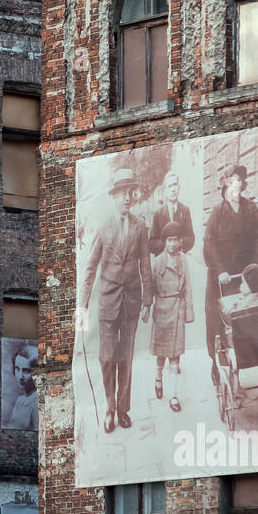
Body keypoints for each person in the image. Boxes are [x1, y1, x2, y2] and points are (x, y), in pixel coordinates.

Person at [78, 168, 152, 433]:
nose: (127, 198)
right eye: (122, 193)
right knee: (107, 358)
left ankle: (122, 410)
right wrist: (82, 306)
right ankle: (109, 406)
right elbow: (90, 268)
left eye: (130, 193)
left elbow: (146, 263)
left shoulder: (140, 227)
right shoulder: (103, 228)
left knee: (126, 359)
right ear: (115, 196)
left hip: (131, 303)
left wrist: (147, 300)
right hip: (108, 304)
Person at [203, 164, 258, 385]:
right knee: (218, 323)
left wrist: (255, 268)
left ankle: (244, 358)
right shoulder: (217, 214)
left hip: (244, 278)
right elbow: (209, 246)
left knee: (246, 317)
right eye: (231, 182)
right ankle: (216, 365)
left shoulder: (251, 210)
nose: (235, 186)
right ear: (225, 187)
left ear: (242, 185)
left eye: (239, 181)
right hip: (222, 279)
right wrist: (220, 271)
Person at [149, 220, 195, 413]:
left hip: (177, 309)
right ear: (164, 241)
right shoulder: (157, 261)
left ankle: (174, 396)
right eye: (169, 240)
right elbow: (150, 288)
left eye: (176, 240)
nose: (173, 244)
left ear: (180, 242)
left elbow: (188, 287)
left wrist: (188, 312)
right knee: (161, 354)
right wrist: (147, 308)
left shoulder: (184, 260)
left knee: (175, 356)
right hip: (162, 310)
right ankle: (158, 378)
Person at [148, 170, 196, 256]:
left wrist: (179, 244)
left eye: (175, 185)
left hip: (180, 259)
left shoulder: (185, 210)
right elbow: (151, 243)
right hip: (163, 260)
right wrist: (167, 244)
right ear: (165, 190)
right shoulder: (158, 213)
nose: (173, 189)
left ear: (179, 187)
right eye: (170, 186)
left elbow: (191, 238)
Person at [2, 345, 39, 430]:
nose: (20, 376)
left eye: (26, 370)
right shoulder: (20, 400)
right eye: (17, 369)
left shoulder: (36, 403)